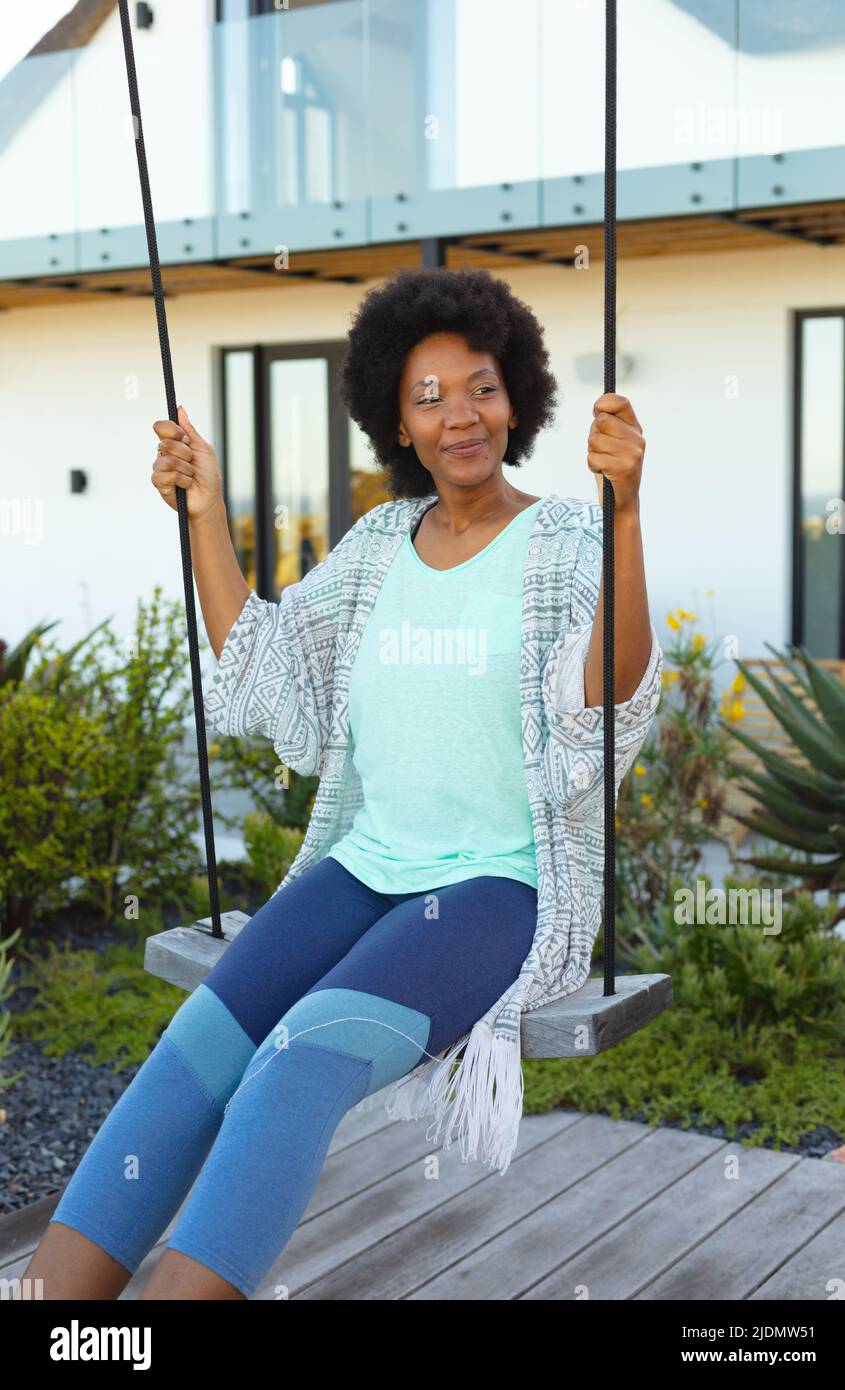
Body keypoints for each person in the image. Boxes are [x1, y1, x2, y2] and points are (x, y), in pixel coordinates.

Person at [21, 266, 659, 1300]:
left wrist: (625, 512)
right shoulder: (374, 549)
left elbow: (605, 698)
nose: (461, 415)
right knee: (191, 1052)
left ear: (519, 399)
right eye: (429, 396)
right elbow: (269, 672)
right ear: (394, 424)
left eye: (483, 387)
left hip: (497, 885)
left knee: (292, 1068)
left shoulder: (566, 539)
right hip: (366, 866)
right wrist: (206, 514)